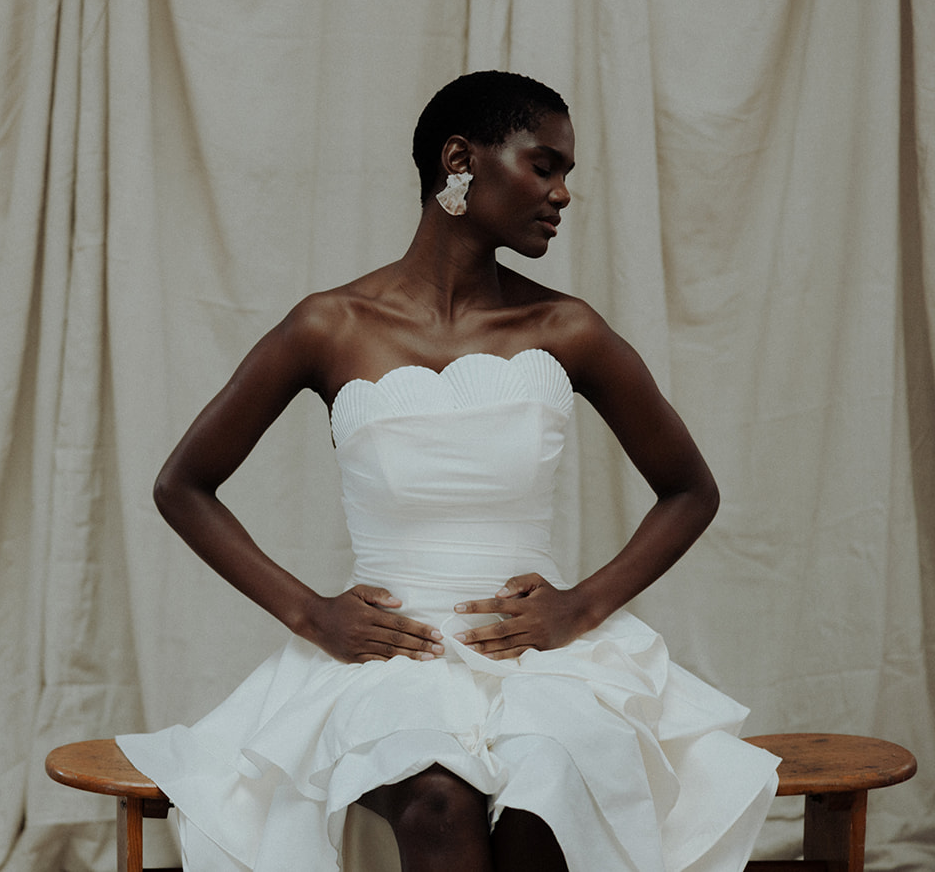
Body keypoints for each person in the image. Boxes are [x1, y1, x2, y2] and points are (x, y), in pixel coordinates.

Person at [117, 71, 780, 872]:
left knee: (551, 788)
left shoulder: (566, 328)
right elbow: (182, 485)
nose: (563, 193)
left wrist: (579, 605)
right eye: (544, 165)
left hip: (542, 663)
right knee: (437, 797)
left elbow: (690, 490)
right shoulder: (331, 325)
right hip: (389, 664)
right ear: (459, 160)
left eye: (566, 172)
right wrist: (312, 615)